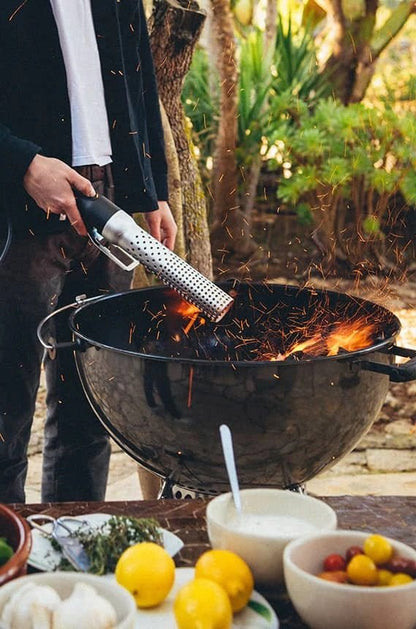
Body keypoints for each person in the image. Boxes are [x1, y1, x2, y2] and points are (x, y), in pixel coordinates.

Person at [0, 0, 177, 503]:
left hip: (108, 204)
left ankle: (75, 558)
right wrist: (24, 164)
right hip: (16, 208)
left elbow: (140, 79)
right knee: (4, 418)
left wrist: (153, 191)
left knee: (89, 411)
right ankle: (8, 570)